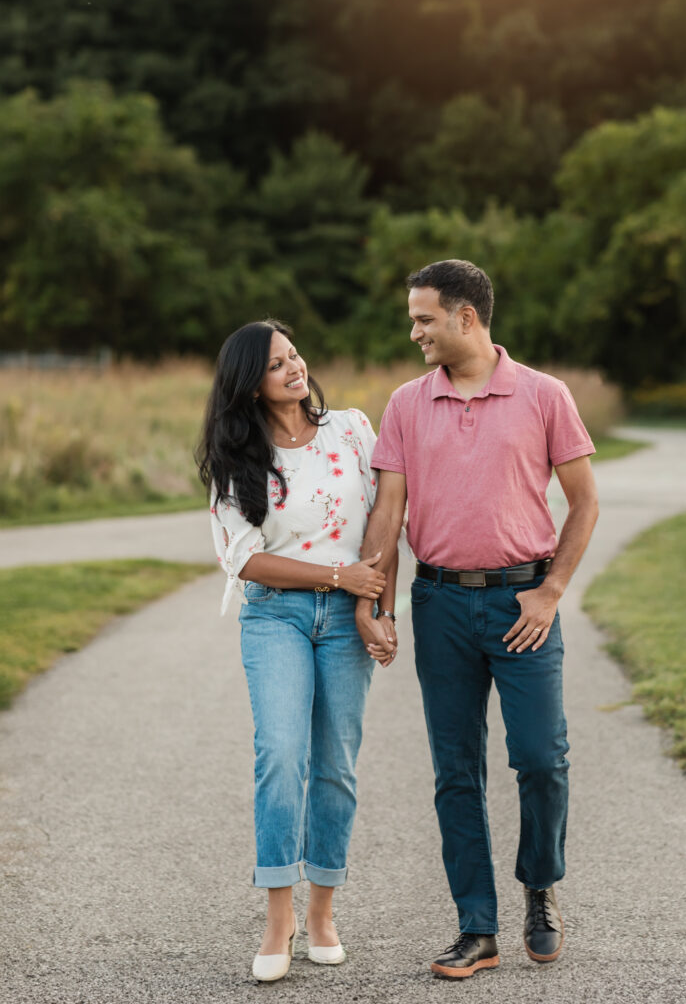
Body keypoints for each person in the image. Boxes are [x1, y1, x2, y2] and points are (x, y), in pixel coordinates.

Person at [356, 260, 599, 979]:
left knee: (540, 760)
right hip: (440, 605)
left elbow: (584, 503)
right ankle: (476, 928)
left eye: (424, 318)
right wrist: (377, 605)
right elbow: (389, 513)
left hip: (524, 603)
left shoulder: (545, 395)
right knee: (455, 772)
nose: (414, 331)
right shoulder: (405, 403)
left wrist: (551, 591)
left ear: (467, 318)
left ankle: (540, 888)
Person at [197, 320, 398, 983]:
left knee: (336, 763)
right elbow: (245, 560)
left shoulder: (351, 430)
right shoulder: (237, 457)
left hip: (348, 620)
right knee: (281, 754)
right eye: (276, 364)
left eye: (295, 355)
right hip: (276, 618)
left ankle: (323, 917)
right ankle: (278, 920)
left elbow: (382, 526)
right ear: (248, 384)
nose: (294, 368)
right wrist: (337, 579)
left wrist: (376, 609)